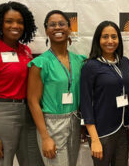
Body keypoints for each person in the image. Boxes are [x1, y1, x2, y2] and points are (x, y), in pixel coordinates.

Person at [0, 1, 43, 166]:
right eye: (9, 21)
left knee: (34, 161)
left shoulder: (25, 51)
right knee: (1, 162)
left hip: (28, 112)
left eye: (20, 22)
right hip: (2, 114)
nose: (15, 25)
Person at [27, 10, 85, 166]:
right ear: (46, 30)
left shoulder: (79, 60)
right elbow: (32, 101)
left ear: (69, 28)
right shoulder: (40, 63)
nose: (57, 28)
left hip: (74, 120)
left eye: (62, 24)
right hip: (52, 124)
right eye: (52, 25)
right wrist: (45, 137)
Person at [80, 21, 129, 166]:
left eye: (114, 37)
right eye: (105, 37)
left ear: (119, 40)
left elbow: (128, 92)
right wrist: (95, 139)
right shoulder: (90, 66)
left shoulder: (124, 62)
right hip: (101, 132)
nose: (110, 41)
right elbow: (85, 104)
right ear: (98, 40)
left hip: (123, 130)